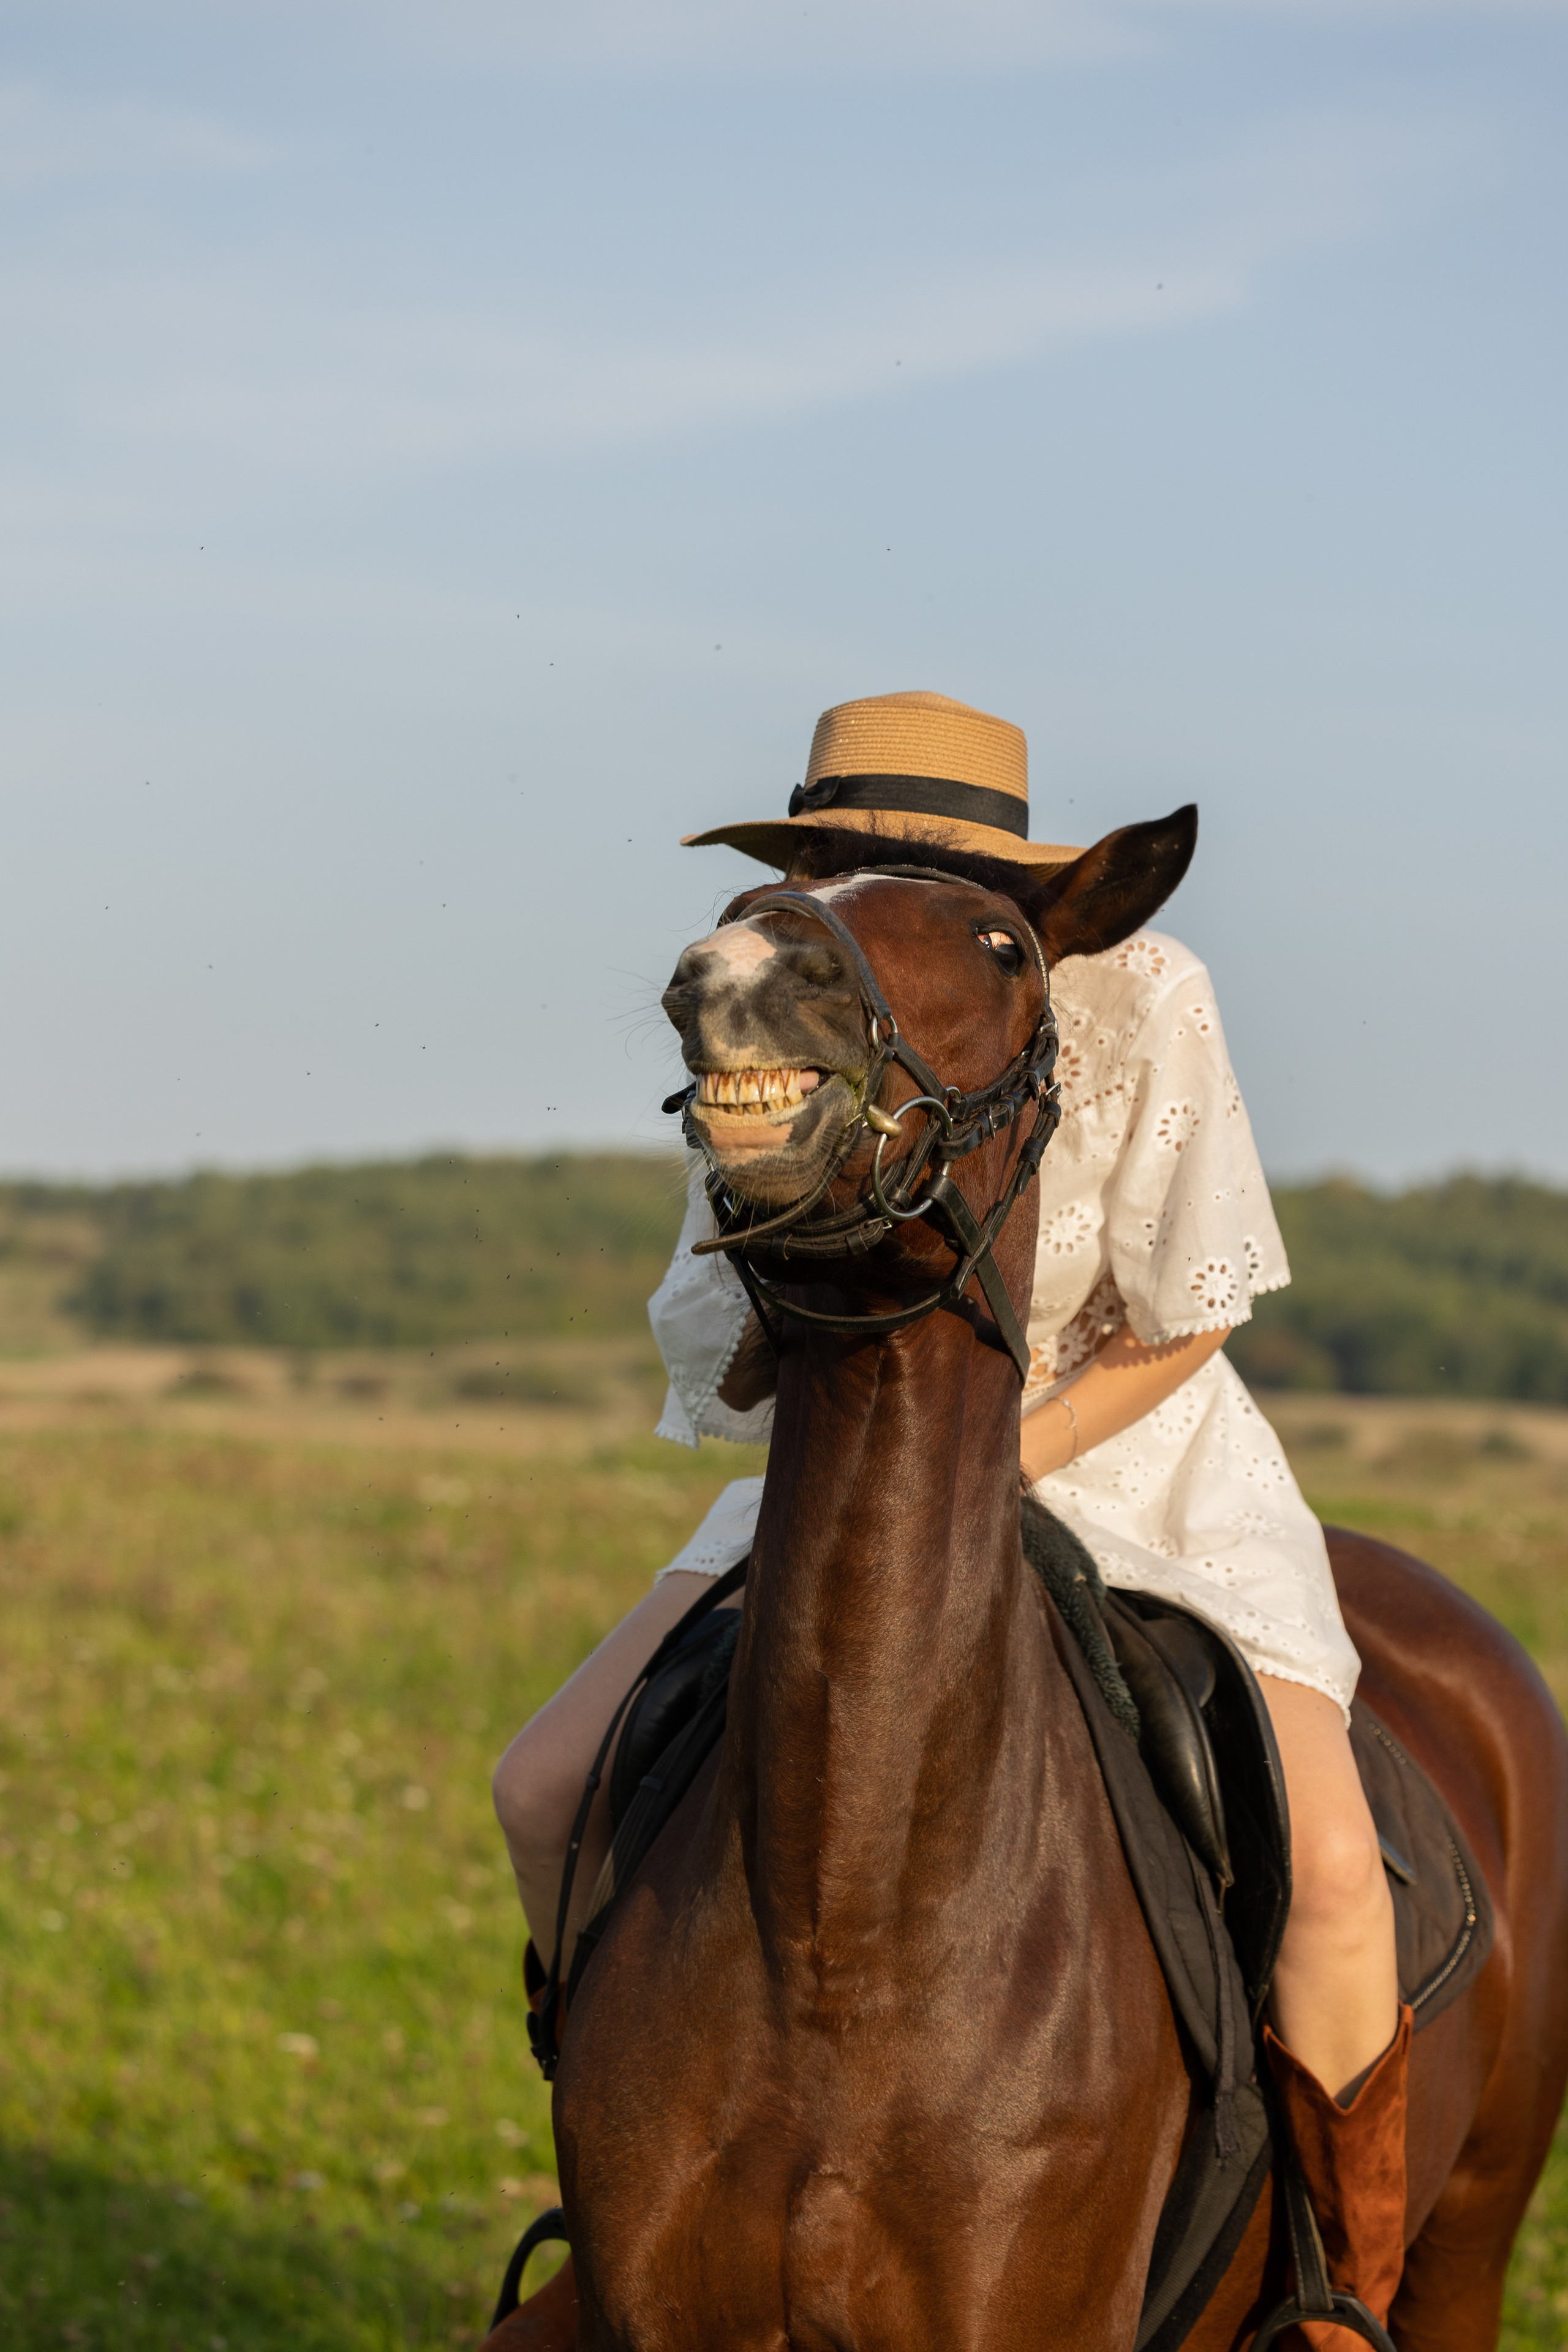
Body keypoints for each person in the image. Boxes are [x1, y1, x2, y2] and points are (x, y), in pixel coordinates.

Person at [494, 690, 1408, 2339]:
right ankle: (618, 2205)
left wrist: (1013, 1451)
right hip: (866, 1454)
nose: (866, 897)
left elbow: (1189, 1309)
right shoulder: (784, 991)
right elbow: (756, 1352)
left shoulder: (1149, 989)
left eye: (902, 864)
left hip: (1134, 1448)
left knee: (1338, 1872)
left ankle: (1341, 2293)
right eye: (839, 861)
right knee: (544, 1777)